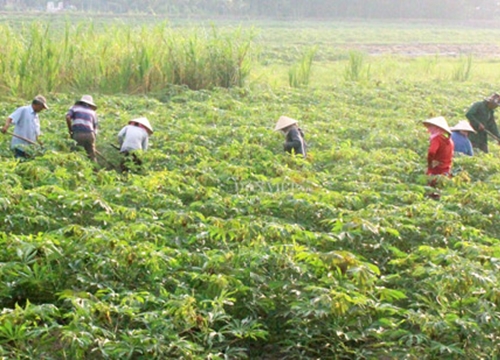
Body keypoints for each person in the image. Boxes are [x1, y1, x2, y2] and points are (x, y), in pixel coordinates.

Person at [1, 95, 48, 159]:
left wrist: (40, 143)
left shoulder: (36, 116)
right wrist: (6, 127)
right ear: (37, 104)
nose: (42, 109)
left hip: (29, 148)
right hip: (19, 146)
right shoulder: (24, 110)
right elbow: (10, 118)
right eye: (42, 107)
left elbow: (36, 132)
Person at [423, 116, 454, 189]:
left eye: (431, 127)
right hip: (446, 170)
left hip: (436, 170)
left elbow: (431, 152)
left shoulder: (436, 139)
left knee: (432, 191)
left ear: (436, 128)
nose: (429, 129)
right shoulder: (449, 140)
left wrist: (430, 164)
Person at [66, 95, 98, 162]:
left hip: (78, 133)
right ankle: (96, 170)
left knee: (76, 153)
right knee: (92, 155)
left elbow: (68, 117)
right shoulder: (93, 112)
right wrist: (92, 141)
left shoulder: (74, 108)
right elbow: (95, 127)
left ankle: (78, 169)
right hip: (90, 134)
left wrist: (70, 130)